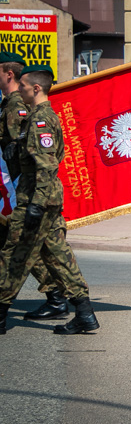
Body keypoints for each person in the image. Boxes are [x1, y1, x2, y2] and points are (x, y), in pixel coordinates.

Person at [0, 65, 98, 336]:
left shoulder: (41, 120)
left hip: (37, 198)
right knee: (58, 256)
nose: (18, 90)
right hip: (46, 199)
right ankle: (85, 314)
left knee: (13, 255)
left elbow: (46, 166)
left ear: (36, 88)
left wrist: (35, 204)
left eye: (22, 86)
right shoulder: (40, 117)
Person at [0, 52, 69, 321]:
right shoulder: (11, 102)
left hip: (23, 188)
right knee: (27, 247)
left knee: (20, 248)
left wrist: (35, 200)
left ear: (8, 74)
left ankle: (59, 297)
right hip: (21, 188)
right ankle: (60, 297)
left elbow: (28, 153)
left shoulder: (19, 104)